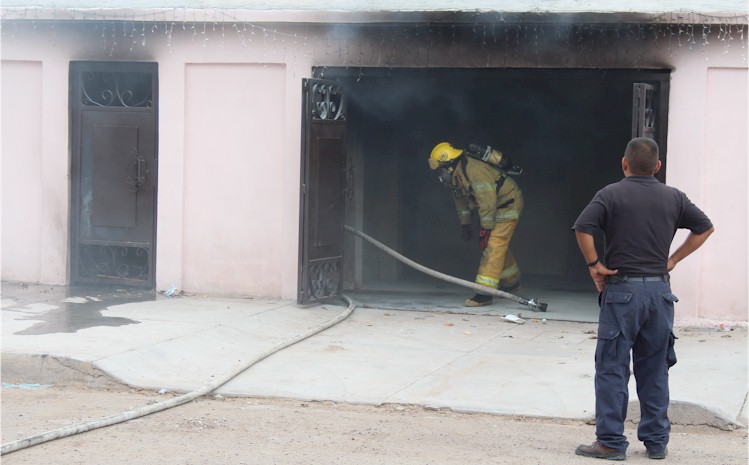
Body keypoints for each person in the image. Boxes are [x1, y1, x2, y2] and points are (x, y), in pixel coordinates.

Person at [571, 137, 714, 461]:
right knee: (655, 369)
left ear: (624, 163)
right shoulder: (674, 197)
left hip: (622, 293)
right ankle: (656, 442)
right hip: (660, 295)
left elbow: (583, 228)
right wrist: (673, 259)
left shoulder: (610, 194)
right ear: (657, 166)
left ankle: (610, 442)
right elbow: (705, 228)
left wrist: (594, 265)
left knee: (612, 368)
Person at [428, 142, 524, 307]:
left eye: (441, 170)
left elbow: (487, 201)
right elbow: (461, 202)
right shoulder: (458, 176)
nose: (440, 175)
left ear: (449, 164)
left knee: (494, 245)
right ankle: (512, 283)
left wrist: (486, 228)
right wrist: (465, 224)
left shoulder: (474, 170)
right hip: (494, 208)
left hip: (507, 205)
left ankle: (484, 294)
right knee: (498, 246)